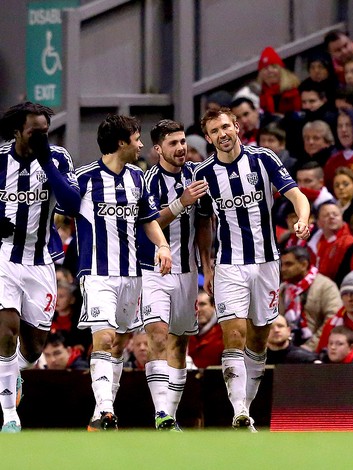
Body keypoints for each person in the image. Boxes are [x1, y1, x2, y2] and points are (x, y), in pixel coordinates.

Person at [194, 107, 310, 432]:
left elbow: (297, 195)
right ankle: (239, 412)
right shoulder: (204, 174)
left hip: (267, 264)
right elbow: (203, 223)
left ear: (237, 128)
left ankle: (247, 406)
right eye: (215, 130)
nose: (222, 134)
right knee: (233, 335)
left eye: (226, 127)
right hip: (229, 264)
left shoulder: (264, 159)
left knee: (259, 339)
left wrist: (302, 218)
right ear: (208, 137)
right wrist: (208, 266)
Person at [57, 114, 173, 432]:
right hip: (96, 274)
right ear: (121, 142)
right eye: (137, 138)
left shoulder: (137, 178)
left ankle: (100, 414)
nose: (141, 144)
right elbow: (58, 219)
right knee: (104, 338)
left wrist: (163, 246)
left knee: (119, 345)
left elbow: (148, 219)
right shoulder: (83, 179)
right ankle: (108, 409)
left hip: (132, 275)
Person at [0, 102, 81, 433]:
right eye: (35, 132)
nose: (42, 138)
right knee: (6, 331)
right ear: (18, 131)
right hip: (4, 256)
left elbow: (73, 204)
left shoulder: (58, 158)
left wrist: (46, 162)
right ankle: (9, 416)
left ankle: (13, 372)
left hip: (41, 261)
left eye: (46, 132)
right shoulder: (0, 160)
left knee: (33, 348)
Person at [138, 119, 208, 431]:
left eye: (182, 142)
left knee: (180, 344)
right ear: (157, 149)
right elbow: (150, 223)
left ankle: (171, 416)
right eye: (173, 143)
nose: (180, 148)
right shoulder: (147, 181)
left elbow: (205, 222)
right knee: (157, 335)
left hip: (188, 271)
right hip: (154, 269)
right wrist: (182, 202)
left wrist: (209, 264)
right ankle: (161, 414)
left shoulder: (196, 174)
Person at [279, 246, 342, 351]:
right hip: (287, 349)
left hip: (317, 350)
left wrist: (310, 347)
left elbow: (332, 320)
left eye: (288, 264)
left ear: (304, 265)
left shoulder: (326, 286)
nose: (283, 269)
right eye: (282, 265)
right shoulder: (282, 289)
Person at [187, 290, 225, 368]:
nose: (198, 310)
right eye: (194, 305)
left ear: (214, 306)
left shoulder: (224, 331)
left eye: (202, 304)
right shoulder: (186, 333)